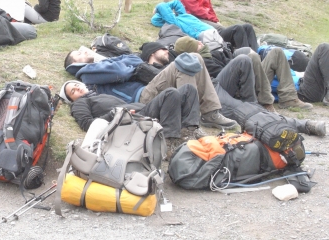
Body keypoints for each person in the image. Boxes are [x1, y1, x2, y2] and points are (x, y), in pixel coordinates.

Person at [64, 43, 238, 130]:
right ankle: (188, 121)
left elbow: (133, 59)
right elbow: (121, 72)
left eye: (82, 50)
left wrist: (125, 64)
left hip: (147, 88)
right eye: (78, 55)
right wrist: (126, 65)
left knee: (195, 58)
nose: (83, 51)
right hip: (141, 98)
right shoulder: (87, 72)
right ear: (74, 65)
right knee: (183, 64)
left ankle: (210, 112)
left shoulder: (101, 62)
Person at [60, 81, 202, 157]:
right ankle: (168, 143)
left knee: (188, 89)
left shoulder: (98, 95)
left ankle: (189, 131)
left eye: (77, 85)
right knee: (170, 93)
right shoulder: (80, 104)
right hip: (130, 119)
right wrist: (114, 114)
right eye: (73, 91)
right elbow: (88, 124)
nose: (77, 89)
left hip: (141, 110)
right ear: (70, 99)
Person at [173, 35, 312, 110]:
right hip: (233, 91)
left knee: (277, 52)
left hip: (250, 82)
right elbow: (227, 75)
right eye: (196, 43)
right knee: (248, 57)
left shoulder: (213, 54)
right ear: (192, 49)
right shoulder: (199, 62)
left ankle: (288, 98)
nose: (200, 42)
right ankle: (265, 103)